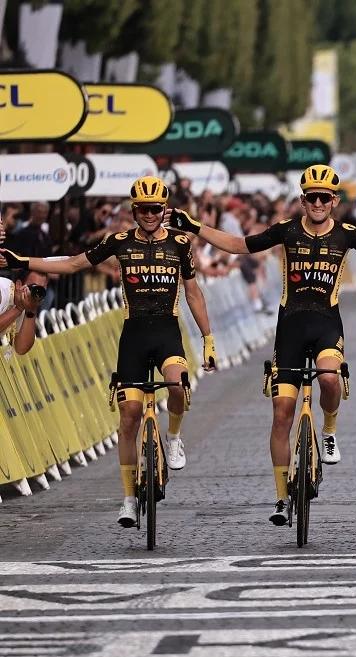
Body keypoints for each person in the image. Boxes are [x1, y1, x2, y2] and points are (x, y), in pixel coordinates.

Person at [169, 165, 356, 525]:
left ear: (333, 202)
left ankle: (328, 431)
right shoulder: (286, 230)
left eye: (324, 198)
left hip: (326, 325)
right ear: (302, 201)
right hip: (290, 329)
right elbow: (239, 246)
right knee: (282, 413)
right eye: (311, 197)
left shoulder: (347, 234)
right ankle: (281, 498)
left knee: (330, 379)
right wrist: (194, 227)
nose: (317, 203)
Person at [0, 176, 218, 528]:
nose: (150, 214)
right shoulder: (118, 241)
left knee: (177, 386)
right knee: (129, 416)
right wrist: (25, 259)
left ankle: (175, 439)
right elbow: (72, 264)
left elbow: (193, 294)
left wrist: (208, 339)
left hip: (167, 331)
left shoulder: (180, 243)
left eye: (156, 209)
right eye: (144, 209)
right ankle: (129, 499)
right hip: (133, 335)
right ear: (134, 211)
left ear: (165, 210)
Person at [0, 271, 46, 355]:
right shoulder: (2, 290)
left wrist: (31, 310)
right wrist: (19, 309)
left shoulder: (26, 305)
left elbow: (21, 348)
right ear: (18, 285)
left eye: (41, 289)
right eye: (33, 287)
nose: (36, 293)